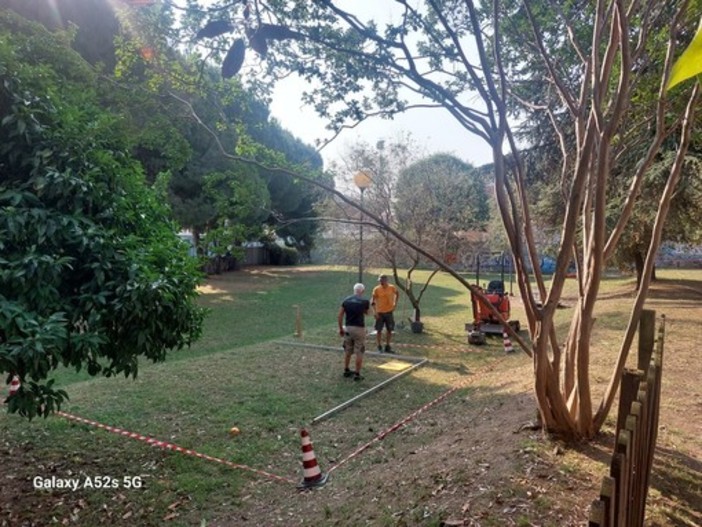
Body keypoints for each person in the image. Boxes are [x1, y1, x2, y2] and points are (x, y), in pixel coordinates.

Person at [338, 283, 370, 381]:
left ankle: (346, 370)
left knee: (348, 350)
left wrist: (341, 329)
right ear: (362, 291)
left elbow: (339, 316)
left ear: (354, 290)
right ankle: (357, 374)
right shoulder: (365, 301)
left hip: (348, 328)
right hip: (359, 329)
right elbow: (368, 313)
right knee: (359, 351)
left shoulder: (346, 300)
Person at [372, 274, 399, 353]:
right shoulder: (376, 289)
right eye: (380, 281)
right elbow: (372, 301)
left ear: (386, 280)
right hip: (380, 312)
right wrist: (375, 312)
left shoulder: (392, 287)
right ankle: (379, 346)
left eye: (382, 281)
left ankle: (388, 346)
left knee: (389, 329)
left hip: (389, 312)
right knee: (379, 330)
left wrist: (395, 303)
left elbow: (397, 294)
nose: (381, 282)